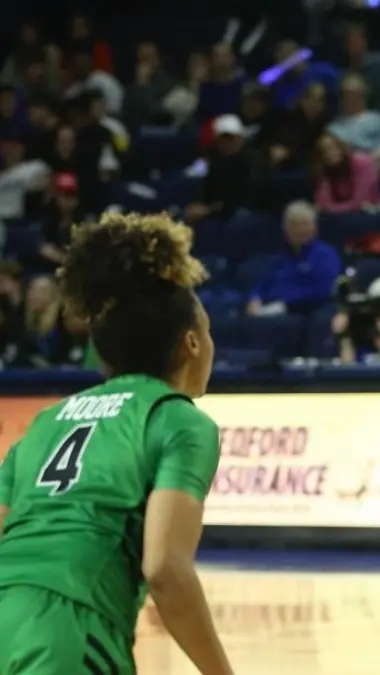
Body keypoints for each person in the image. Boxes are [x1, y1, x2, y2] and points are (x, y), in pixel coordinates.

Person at [0, 213, 233, 674]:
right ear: (190, 343)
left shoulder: (46, 422)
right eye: (207, 331)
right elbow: (165, 569)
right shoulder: (177, 420)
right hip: (70, 628)